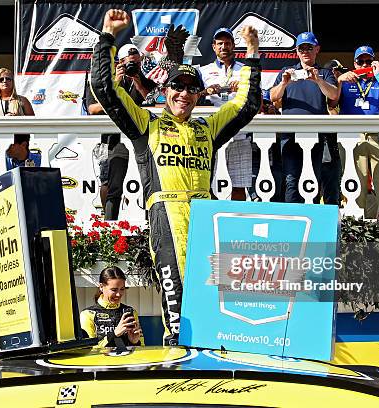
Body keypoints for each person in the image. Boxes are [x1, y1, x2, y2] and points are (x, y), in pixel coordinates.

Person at [91, 9, 261, 345]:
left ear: (200, 95)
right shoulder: (146, 124)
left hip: (204, 216)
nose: (184, 93)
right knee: (178, 298)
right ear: (165, 91)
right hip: (167, 217)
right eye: (177, 86)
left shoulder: (207, 128)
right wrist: (108, 36)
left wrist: (252, 54)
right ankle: (178, 356)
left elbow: (247, 104)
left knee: (213, 292)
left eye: (191, 88)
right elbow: (104, 88)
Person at [86, 44, 156, 220]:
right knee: (111, 184)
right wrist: (115, 82)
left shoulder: (146, 81)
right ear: (120, 62)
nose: (134, 66)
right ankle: (109, 224)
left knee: (150, 182)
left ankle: (150, 225)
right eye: (129, 63)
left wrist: (138, 81)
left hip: (143, 138)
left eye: (137, 63)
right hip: (113, 139)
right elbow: (92, 109)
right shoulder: (105, 82)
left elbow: (155, 103)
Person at [269, 32, 339, 204]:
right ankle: (292, 220)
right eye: (302, 48)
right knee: (291, 179)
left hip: (316, 134)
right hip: (290, 134)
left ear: (317, 49)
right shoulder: (287, 71)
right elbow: (272, 96)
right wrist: (284, 83)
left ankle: (311, 218)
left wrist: (318, 80)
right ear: (297, 51)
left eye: (309, 47)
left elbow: (333, 95)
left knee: (314, 177)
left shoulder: (325, 72)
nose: (305, 51)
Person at [337, 46, 379, 218]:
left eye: (368, 61)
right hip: (352, 137)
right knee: (355, 183)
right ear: (354, 63)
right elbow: (331, 102)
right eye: (360, 61)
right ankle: (355, 228)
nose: (364, 64)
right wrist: (340, 80)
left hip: (377, 135)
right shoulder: (345, 81)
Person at [200, 27, 253, 201]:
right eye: (220, 43)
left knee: (240, 186)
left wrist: (244, 88)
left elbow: (256, 97)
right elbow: (192, 97)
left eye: (228, 43)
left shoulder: (245, 69)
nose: (224, 46)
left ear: (234, 46)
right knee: (206, 185)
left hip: (240, 133)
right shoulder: (203, 70)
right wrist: (205, 92)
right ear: (214, 47)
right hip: (211, 134)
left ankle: (237, 224)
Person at [80, 266, 143, 348]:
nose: (118, 294)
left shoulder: (130, 312)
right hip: (102, 360)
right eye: (114, 290)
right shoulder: (88, 314)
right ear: (101, 287)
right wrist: (114, 334)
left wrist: (135, 342)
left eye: (122, 289)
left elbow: (142, 349)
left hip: (127, 360)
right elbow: (88, 349)